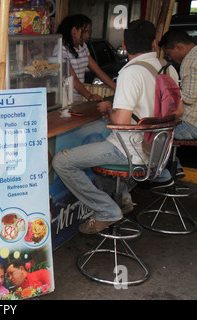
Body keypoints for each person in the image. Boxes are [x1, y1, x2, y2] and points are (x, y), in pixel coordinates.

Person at [52, 20, 179, 234]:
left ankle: (106, 210)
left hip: (130, 151)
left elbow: (120, 123)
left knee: (62, 161)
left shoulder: (131, 73)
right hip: (158, 151)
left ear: (125, 46)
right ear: (155, 43)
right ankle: (122, 198)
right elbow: (178, 111)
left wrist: (109, 109)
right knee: (96, 146)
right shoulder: (168, 70)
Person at [159, 30, 197, 178]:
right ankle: (176, 166)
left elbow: (188, 98)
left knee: (153, 131)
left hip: (192, 124)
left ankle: (163, 175)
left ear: (180, 47)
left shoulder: (189, 61)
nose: (170, 58)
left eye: (169, 54)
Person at [57, 14, 117, 102]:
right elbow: (72, 78)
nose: (87, 36)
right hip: (64, 99)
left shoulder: (83, 47)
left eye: (88, 32)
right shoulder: (62, 48)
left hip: (78, 97)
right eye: (84, 32)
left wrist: (118, 89)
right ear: (74, 30)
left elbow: (98, 71)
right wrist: (89, 96)